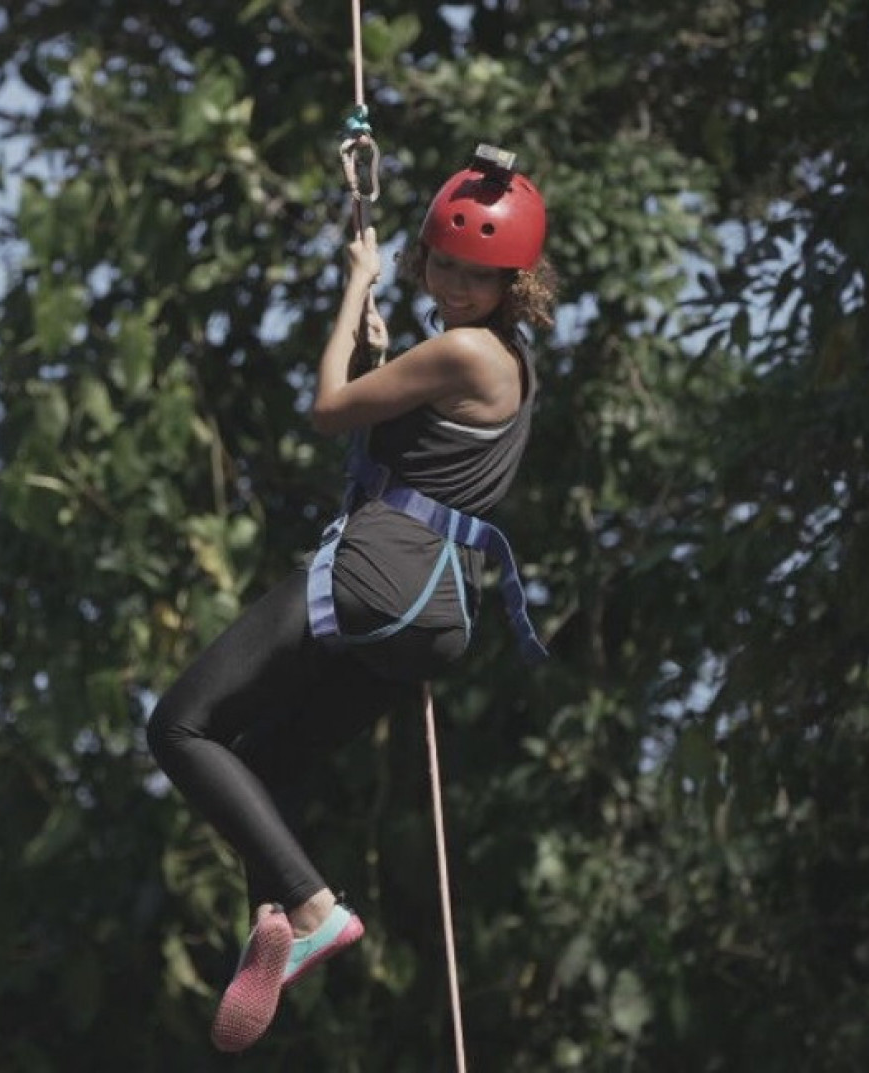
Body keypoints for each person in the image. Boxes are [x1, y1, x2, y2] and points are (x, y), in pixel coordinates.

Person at [146, 145, 557, 1052]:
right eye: (441, 265)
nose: (453, 286)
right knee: (266, 763)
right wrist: (385, 353)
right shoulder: (510, 367)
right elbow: (413, 435)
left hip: (379, 578)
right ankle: (280, 918)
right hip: (437, 618)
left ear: (511, 282)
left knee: (180, 727)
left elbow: (331, 408)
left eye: (475, 276)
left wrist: (353, 285)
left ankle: (310, 906)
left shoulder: (460, 350)